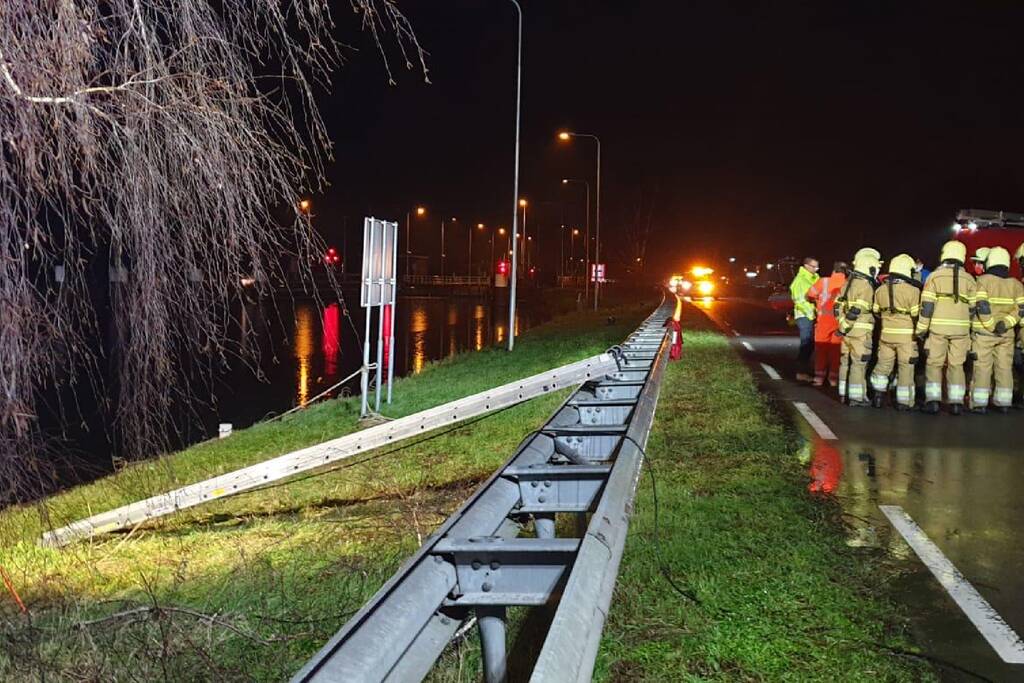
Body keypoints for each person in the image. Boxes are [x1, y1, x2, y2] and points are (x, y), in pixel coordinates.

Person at [915, 240, 976, 415]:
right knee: (957, 365)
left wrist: (921, 329)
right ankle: (956, 403)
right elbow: (973, 308)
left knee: (934, 364)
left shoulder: (934, 277)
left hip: (938, 329)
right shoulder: (969, 279)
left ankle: (933, 401)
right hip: (961, 331)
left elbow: (927, 307)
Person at [969, 247, 1024, 413]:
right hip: (1006, 335)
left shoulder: (983, 281)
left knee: (982, 368)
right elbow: (1021, 309)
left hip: (984, 334)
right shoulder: (1016, 284)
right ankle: (1004, 403)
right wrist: (1006, 324)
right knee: (1004, 368)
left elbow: (980, 306)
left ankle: (980, 404)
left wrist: (992, 325)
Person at [870, 254, 922, 410]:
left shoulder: (880, 290)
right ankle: (904, 402)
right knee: (906, 368)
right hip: (906, 336)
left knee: (883, 366)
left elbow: (876, 311)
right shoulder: (913, 291)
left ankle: (878, 396)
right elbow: (916, 314)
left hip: (886, 334)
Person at [836, 249, 881, 406]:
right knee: (859, 365)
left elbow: (837, 306)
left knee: (845, 363)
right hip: (860, 332)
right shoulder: (866, 286)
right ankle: (856, 398)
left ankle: (843, 393)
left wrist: (842, 325)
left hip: (847, 332)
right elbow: (857, 310)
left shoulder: (848, 283)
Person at [806, 261, 847, 386]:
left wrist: (816, 300)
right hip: (840, 321)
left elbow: (809, 295)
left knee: (821, 348)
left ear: (833, 271)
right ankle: (833, 379)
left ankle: (819, 378)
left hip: (824, 320)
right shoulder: (848, 284)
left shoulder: (823, 281)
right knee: (836, 350)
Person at [789, 257, 820, 381]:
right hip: (804, 316)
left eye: (817, 267)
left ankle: (804, 370)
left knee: (811, 344)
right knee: (806, 344)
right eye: (814, 266)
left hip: (813, 315)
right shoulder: (800, 280)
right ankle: (800, 372)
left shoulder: (815, 278)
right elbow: (799, 300)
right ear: (806, 266)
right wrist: (811, 312)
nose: (816, 269)